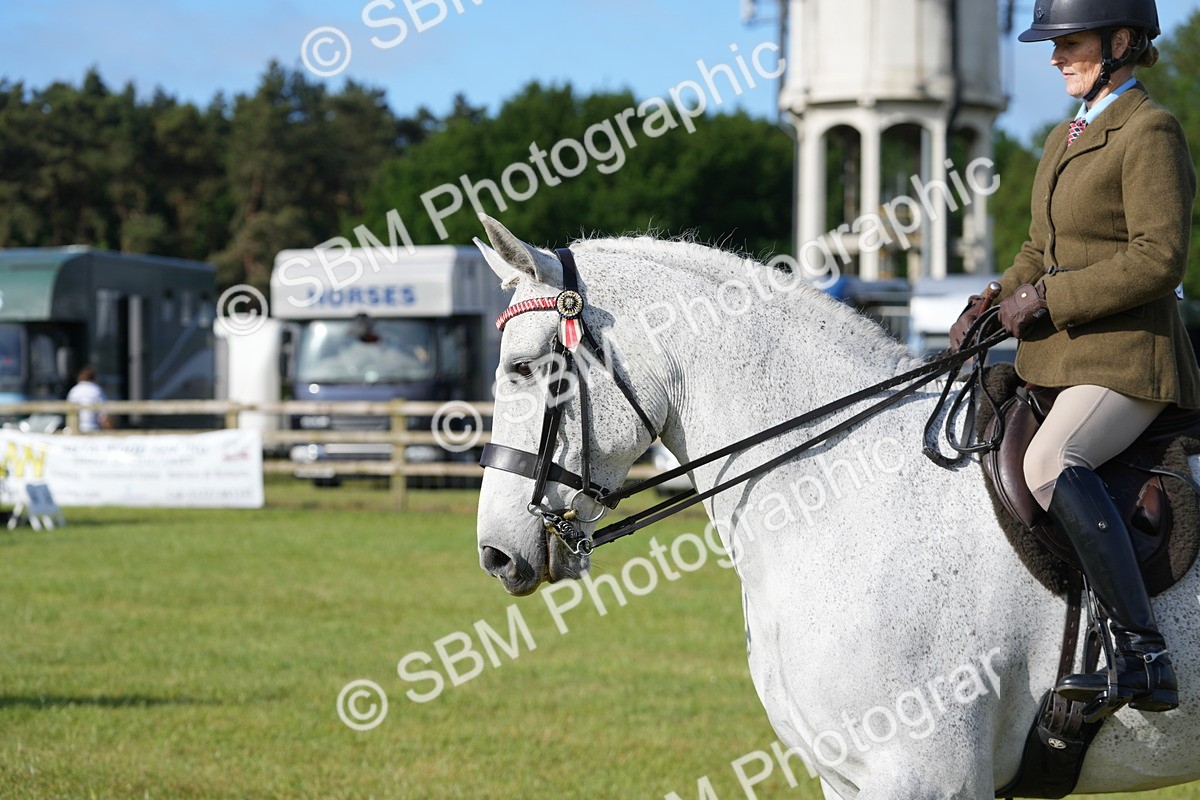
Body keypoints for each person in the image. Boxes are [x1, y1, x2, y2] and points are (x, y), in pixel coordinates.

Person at [951, 0, 1199, 713]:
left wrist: (1049, 302)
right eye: (1053, 45)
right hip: (1060, 357)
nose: (1055, 57)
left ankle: (1142, 653)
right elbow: (1040, 250)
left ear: (1122, 42)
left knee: (1051, 463)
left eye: (1071, 43)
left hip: (1129, 358)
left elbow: (1158, 259)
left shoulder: (1150, 131)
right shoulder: (1066, 136)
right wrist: (994, 297)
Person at [66, 366, 110, 432]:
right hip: (93, 428)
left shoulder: (74, 390)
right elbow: (104, 414)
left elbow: (68, 409)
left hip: (74, 429)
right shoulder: (97, 390)